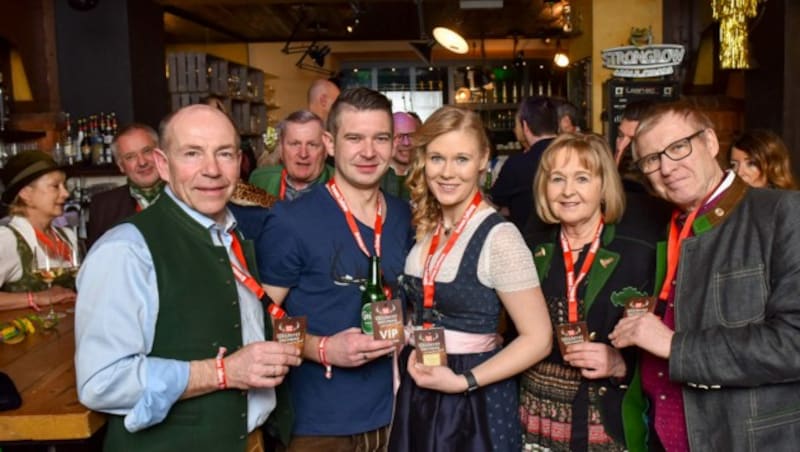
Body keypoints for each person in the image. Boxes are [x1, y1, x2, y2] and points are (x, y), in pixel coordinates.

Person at [75, 104, 301, 451]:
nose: (211, 170)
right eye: (192, 153)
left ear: (240, 162)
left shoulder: (232, 233)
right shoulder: (126, 250)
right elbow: (100, 382)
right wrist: (220, 373)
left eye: (223, 154)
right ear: (164, 165)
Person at [609, 101, 800, 451]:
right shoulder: (659, 226)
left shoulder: (782, 214)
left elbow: (794, 343)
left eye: (678, 147)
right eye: (652, 159)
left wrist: (674, 346)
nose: (667, 167)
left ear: (710, 142)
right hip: (661, 437)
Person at [256, 87, 412, 451]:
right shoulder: (290, 221)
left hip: (399, 409)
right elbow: (259, 317)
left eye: (380, 138)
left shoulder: (404, 216)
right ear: (330, 142)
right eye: (354, 138)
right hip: (322, 423)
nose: (369, 152)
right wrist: (321, 348)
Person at [389, 106, 552, 451]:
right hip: (421, 387)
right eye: (436, 158)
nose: (447, 173)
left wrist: (464, 381)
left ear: (482, 160)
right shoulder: (426, 227)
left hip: (473, 402)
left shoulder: (499, 237)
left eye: (461, 159)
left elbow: (539, 339)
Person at [519, 133, 653, 451]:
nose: (568, 191)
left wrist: (622, 366)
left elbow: (665, 339)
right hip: (536, 414)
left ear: (603, 185)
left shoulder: (640, 252)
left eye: (582, 178)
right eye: (557, 179)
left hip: (607, 419)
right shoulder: (528, 246)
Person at [0, 151, 77, 310]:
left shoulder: (67, 236)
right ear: (26, 194)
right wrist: (36, 297)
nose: (66, 194)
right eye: (55, 186)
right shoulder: (8, 238)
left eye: (65, 186)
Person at [88, 123, 164, 248]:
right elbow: (97, 261)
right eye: (130, 157)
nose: (142, 162)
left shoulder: (187, 196)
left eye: (147, 151)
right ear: (121, 166)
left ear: (161, 153)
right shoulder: (103, 206)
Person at [490, 96, 558, 230]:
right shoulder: (573, 156)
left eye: (516, 125)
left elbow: (494, 203)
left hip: (528, 242)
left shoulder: (517, 164)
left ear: (525, 126)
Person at [248, 110, 333, 201]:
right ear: (281, 149)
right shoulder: (260, 180)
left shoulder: (342, 185)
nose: (303, 154)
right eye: (295, 144)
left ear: (325, 150)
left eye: (312, 145)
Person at [729, 128, 797, 189]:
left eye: (751, 163)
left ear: (773, 165)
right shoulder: (730, 200)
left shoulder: (786, 201)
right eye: (734, 164)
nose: (739, 172)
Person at [379, 111, 417, 200]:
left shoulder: (426, 174)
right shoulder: (374, 176)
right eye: (399, 137)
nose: (406, 143)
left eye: (411, 136)